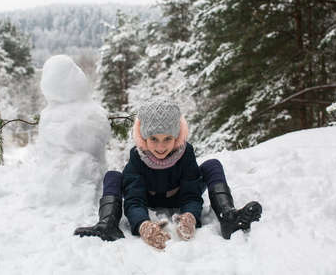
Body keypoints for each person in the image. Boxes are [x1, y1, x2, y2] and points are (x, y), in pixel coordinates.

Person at [74, 98, 262, 249]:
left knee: (212, 165)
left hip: (178, 195)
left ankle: (227, 216)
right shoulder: (137, 158)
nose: (161, 146)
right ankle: (107, 223)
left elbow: (191, 193)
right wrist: (143, 225)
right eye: (154, 139)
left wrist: (190, 215)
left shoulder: (186, 153)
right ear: (144, 137)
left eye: (168, 139)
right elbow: (134, 200)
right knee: (113, 176)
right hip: (148, 198)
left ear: (177, 136)